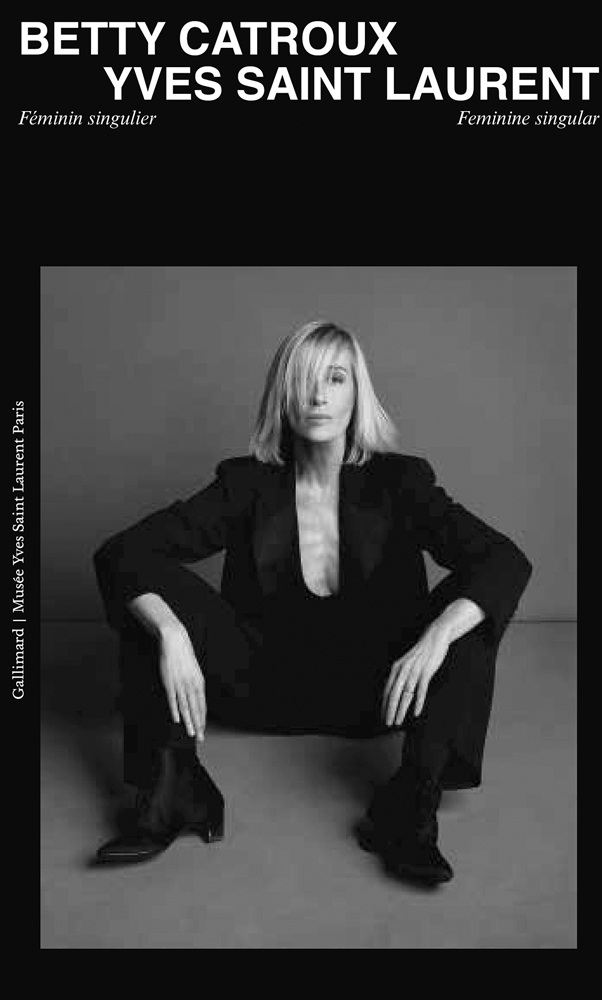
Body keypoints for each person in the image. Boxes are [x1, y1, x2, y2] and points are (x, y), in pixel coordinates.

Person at [92, 320, 532, 884]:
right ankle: (172, 788)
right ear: (283, 395)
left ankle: (411, 804)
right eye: (303, 380)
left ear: (357, 392)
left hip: (379, 695)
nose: (319, 395)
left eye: (336, 378)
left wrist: (438, 635)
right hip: (262, 688)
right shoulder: (245, 483)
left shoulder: (402, 483)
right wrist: (172, 634)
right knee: (146, 600)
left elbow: (505, 559)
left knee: (470, 611)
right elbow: (122, 552)